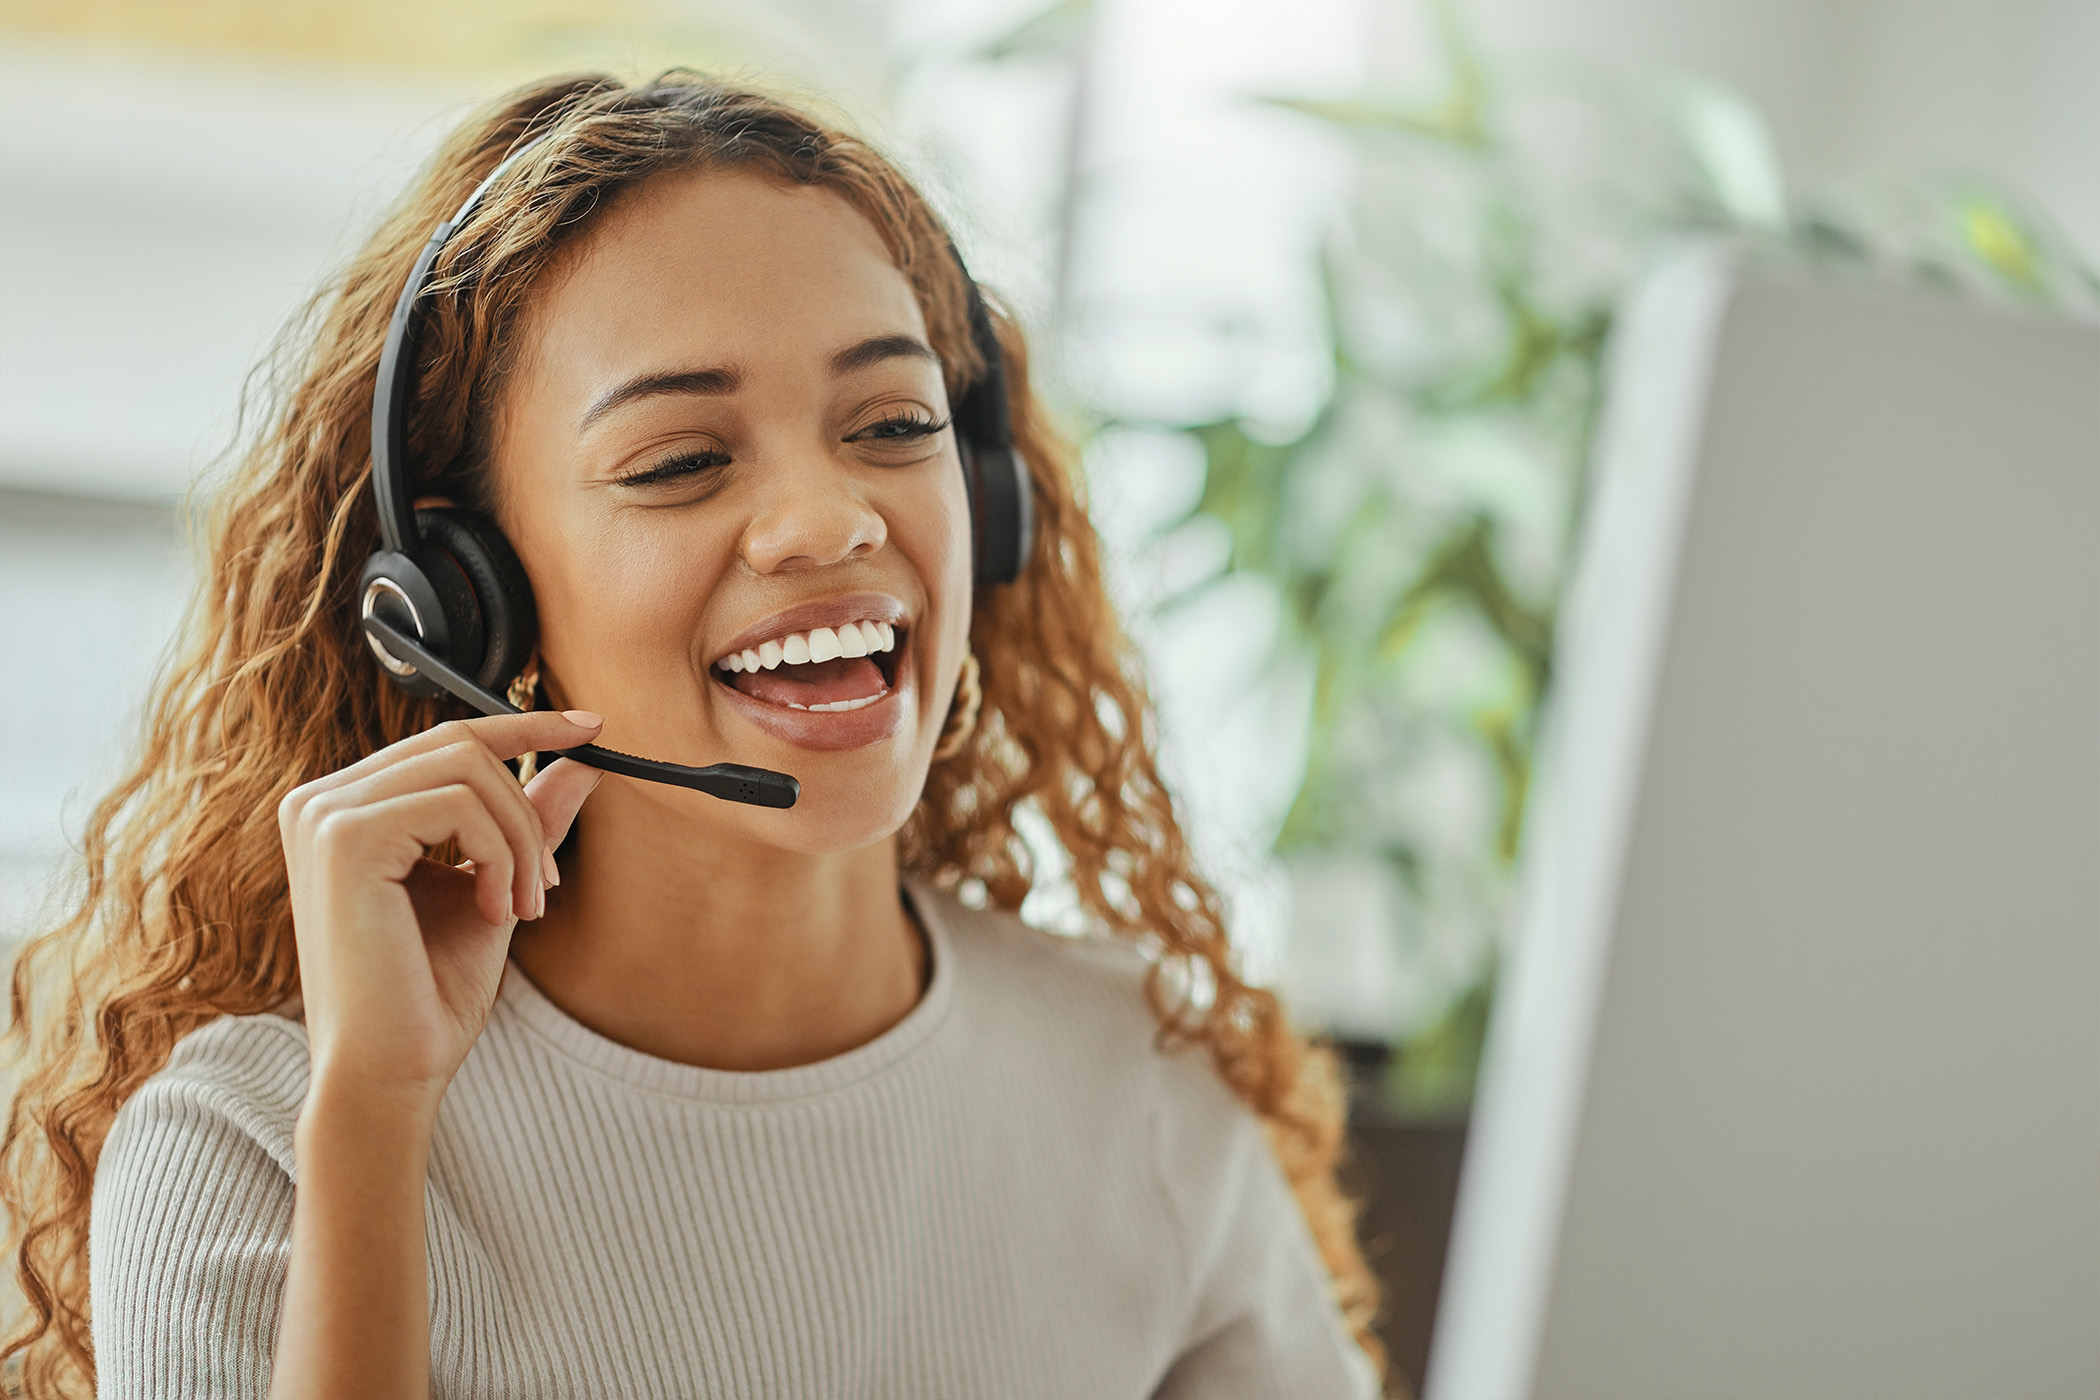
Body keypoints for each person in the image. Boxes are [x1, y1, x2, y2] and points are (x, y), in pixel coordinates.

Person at [0, 72, 1383, 1398]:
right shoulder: (261, 1143)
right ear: (458, 598)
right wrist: (377, 1116)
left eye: (892, 423)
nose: (830, 521)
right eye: (682, 461)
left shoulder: (1135, 1087)